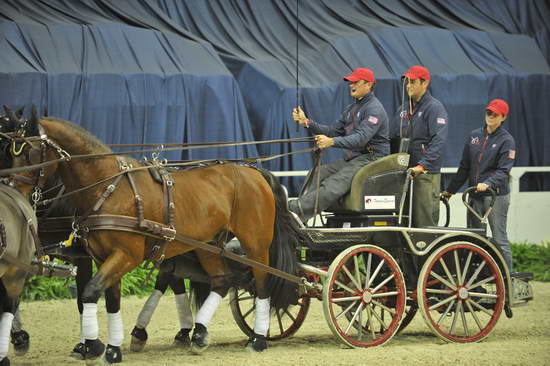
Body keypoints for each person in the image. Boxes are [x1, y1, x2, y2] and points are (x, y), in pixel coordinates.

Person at [289, 67, 390, 222]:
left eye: (356, 82)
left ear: (368, 85)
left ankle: (295, 211)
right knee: (316, 173)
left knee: (334, 182)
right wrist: (306, 122)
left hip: (372, 158)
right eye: (350, 82)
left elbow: (361, 139)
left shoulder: (374, 109)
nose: (351, 85)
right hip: (356, 159)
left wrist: (332, 142)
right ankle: (300, 217)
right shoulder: (352, 108)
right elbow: (332, 130)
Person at [442, 99, 515, 271]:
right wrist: (450, 191)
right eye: (488, 112)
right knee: (475, 239)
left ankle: (509, 281)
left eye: (495, 114)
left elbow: (504, 170)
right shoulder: (474, 136)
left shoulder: (507, 141)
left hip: (495, 196)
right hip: (474, 195)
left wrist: (487, 183)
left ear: (503, 117)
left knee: (499, 239)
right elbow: (464, 167)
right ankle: (479, 280)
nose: (490, 116)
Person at [394, 65, 448, 227]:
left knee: (424, 225)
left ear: (425, 83)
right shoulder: (403, 109)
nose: (408, 85)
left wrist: (422, 165)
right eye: (407, 82)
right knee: (403, 223)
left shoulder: (434, 107)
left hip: (425, 175)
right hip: (404, 174)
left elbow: (439, 141)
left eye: (413, 82)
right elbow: (392, 138)